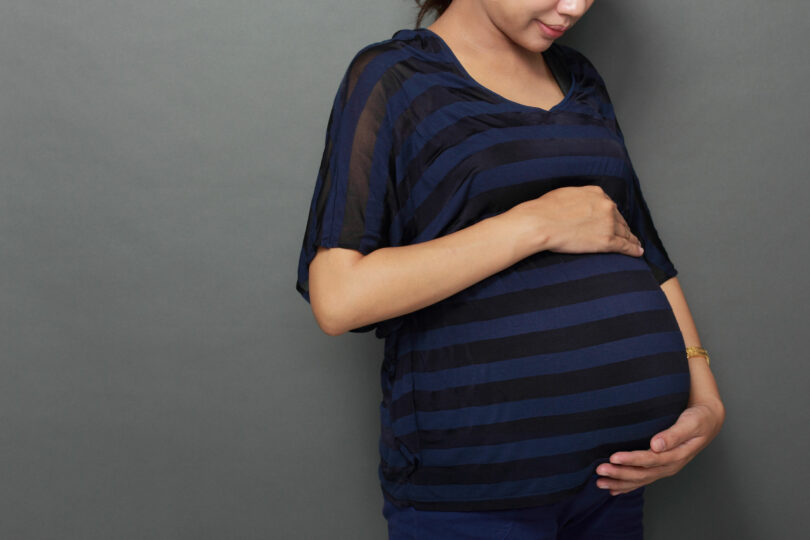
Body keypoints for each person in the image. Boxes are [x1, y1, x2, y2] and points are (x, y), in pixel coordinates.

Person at [295, 1, 725, 537]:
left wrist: (703, 394)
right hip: (477, 500)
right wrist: (531, 226)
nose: (575, 7)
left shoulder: (580, 78)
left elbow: (646, 252)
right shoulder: (395, 77)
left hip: (612, 486)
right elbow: (339, 297)